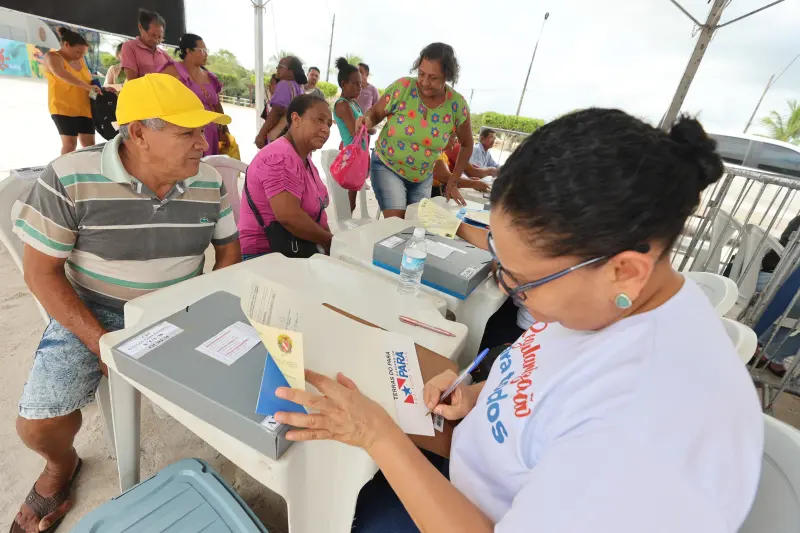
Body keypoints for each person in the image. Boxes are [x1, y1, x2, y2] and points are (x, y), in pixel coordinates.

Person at [272, 110, 763, 533]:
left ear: (626, 271)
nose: (508, 289)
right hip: (466, 464)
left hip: (468, 512)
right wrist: (478, 391)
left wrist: (378, 436)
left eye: (524, 281)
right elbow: (546, 373)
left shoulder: (647, 432)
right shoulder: (616, 302)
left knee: (336, 494)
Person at [9, 73, 240, 533]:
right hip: (94, 309)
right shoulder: (70, 176)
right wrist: (100, 340)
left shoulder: (209, 181)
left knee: (251, 377)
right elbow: (40, 273)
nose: (203, 144)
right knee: (37, 425)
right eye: (188, 133)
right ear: (138, 133)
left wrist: (209, 311)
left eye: (202, 131)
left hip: (180, 306)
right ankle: (60, 465)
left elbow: (229, 253)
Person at [357, 43, 473, 218]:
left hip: (423, 177)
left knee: (417, 225)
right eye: (421, 74)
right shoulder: (403, 87)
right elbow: (376, 113)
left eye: (433, 78)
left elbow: (467, 144)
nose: (425, 82)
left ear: (447, 75)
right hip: (387, 165)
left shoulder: (457, 105)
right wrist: (367, 120)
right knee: (397, 224)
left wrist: (453, 181)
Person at [239, 94, 332, 259]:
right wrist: (330, 241)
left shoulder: (304, 158)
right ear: (296, 119)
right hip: (265, 255)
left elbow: (318, 212)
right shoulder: (280, 157)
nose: (326, 129)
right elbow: (289, 217)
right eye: (319, 120)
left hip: (298, 248)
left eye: (329, 124)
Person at [160, 33, 229, 156]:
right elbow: (160, 100)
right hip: (184, 134)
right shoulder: (172, 71)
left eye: (206, 51)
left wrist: (225, 130)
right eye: (202, 51)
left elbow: (217, 105)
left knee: (208, 166)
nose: (206, 54)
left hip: (210, 134)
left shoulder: (210, 77)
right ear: (188, 51)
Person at [44, 27, 100, 155]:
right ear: (66, 45)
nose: (80, 56)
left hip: (84, 109)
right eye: (77, 52)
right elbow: (61, 73)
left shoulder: (80, 60)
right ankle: (62, 168)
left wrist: (99, 89)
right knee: (70, 145)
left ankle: (86, 167)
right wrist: (88, 87)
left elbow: (88, 82)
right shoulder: (53, 56)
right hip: (63, 108)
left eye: (83, 54)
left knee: (90, 146)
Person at [333, 57, 371, 212]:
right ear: (343, 84)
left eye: (360, 84)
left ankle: (348, 219)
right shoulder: (342, 105)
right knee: (350, 201)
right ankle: (346, 222)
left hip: (359, 153)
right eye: (355, 84)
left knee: (353, 197)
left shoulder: (353, 103)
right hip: (352, 155)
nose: (359, 88)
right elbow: (354, 131)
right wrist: (367, 126)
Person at [255, 56, 307, 149]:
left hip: (279, 137)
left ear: (290, 72)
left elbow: (277, 112)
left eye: (280, 66)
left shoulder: (284, 84)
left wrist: (261, 134)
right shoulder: (300, 87)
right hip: (294, 138)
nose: (277, 68)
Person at [119, 9, 170, 81]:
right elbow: (133, 81)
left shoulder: (165, 55)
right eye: (152, 35)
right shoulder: (130, 47)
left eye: (159, 37)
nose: (155, 40)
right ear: (140, 28)